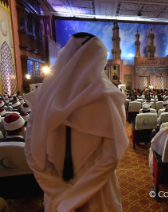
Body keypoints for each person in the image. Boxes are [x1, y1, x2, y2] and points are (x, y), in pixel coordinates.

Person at [24, 34, 128, 211]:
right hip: (97, 194)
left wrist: (58, 194)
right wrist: (74, 198)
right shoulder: (107, 98)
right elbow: (110, 158)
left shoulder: (45, 97)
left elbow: (32, 153)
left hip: (57, 194)